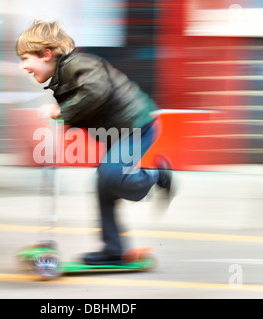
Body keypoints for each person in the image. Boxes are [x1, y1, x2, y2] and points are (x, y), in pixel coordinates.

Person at [16, 21, 172, 265]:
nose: (24, 66)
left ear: (46, 55)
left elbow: (96, 91)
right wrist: (64, 121)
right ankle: (114, 250)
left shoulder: (79, 64)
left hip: (137, 125)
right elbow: (82, 106)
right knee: (104, 186)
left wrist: (63, 111)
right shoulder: (60, 77)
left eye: (26, 58)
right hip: (117, 131)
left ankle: (158, 176)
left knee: (112, 177)